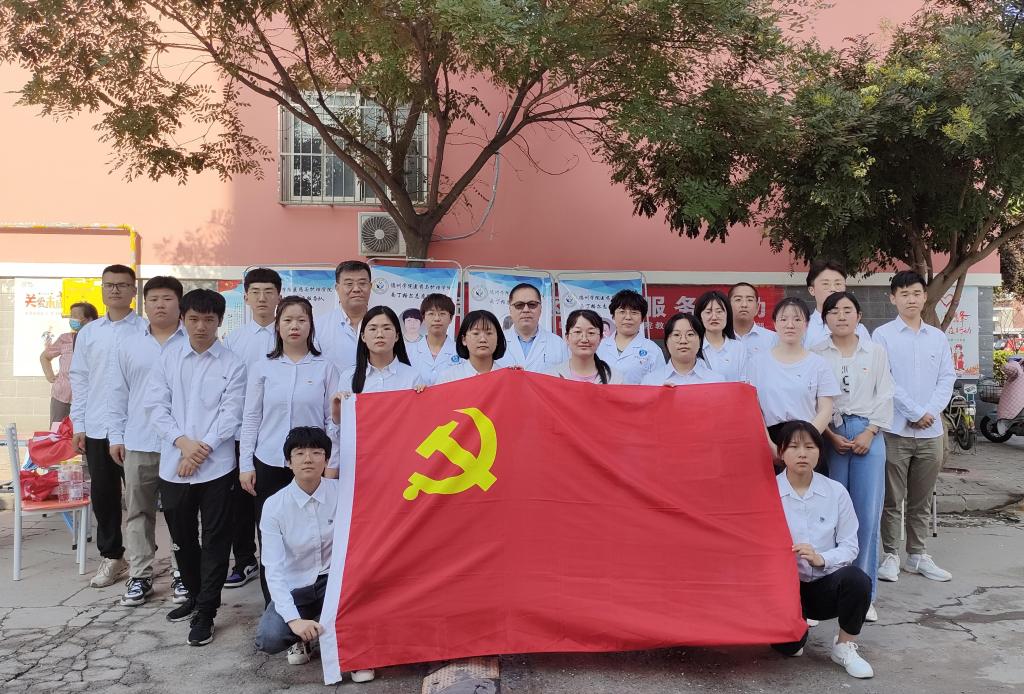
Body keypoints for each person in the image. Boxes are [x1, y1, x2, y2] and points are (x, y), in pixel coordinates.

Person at [144, 289, 246, 646]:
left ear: (220, 321)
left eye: (208, 319)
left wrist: (199, 451)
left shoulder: (232, 364)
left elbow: (231, 413)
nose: (201, 326)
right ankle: (194, 593)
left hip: (217, 466)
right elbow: (156, 406)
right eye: (194, 319)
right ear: (183, 319)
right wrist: (183, 445)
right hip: (175, 464)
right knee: (182, 538)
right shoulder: (168, 359)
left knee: (215, 540)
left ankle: (207, 610)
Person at [239, 296, 340, 605]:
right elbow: (251, 417)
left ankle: (316, 602)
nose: (294, 326)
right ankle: (276, 606)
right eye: (287, 320)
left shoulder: (325, 368)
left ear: (311, 325)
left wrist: (331, 463)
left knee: (314, 532)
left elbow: (332, 421)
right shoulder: (263, 367)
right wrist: (246, 464)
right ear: (278, 326)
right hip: (270, 462)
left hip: (313, 465)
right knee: (271, 536)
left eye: (301, 320)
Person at [254, 426, 375, 683]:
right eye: (299, 453)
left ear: (327, 460)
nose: (308, 459)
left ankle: (356, 652)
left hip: (336, 582)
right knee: (270, 637)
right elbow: (273, 569)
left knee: (367, 592)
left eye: (316, 453)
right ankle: (303, 635)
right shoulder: (274, 506)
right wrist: (294, 621)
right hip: (296, 586)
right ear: (288, 462)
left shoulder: (343, 492)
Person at [811, 291, 894, 621]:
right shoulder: (817, 354)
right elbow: (814, 398)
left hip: (867, 431)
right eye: (834, 311)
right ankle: (824, 590)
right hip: (830, 432)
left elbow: (885, 394)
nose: (841, 316)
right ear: (825, 319)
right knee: (828, 514)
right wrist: (829, 435)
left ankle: (863, 593)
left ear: (859, 316)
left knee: (866, 514)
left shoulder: (875, 352)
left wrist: (870, 432)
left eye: (848, 310)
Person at [770, 421, 874, 680]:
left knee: (857, 580)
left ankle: (844, 646)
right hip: (784, 590)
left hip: (824, 585)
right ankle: (796, 626)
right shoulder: (768, 492)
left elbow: (850, 545)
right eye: (794, 447)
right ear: (781, 452)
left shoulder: (836, 492)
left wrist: (821, 559)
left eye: (810, 447)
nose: (802, 454)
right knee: (790, 648)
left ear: (820, 452)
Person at [108, 277, 188, 608]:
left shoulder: (192, 342)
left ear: (179, 303)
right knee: (138, 512)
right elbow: (117, 393)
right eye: (153, 299)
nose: (159, 305)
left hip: (180, 445)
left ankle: (184, 572)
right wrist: (116, 435)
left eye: (167, 298)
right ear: (144, 304)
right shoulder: (129, 345)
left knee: (181, 513)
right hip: (139, 440)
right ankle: (140, 575)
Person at [872, 271, 956, 583]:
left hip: (931, 433)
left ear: (924, 297)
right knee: (892, 499)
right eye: (904, 294)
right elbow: (885, 379)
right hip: (895, 430)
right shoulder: (882, 336)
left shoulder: (937, 337)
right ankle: (890, 555)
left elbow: (947, 377)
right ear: (893, 298)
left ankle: (917, 555)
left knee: (922, 499)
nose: (911, 299)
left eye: (916, 293)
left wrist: (929, 413)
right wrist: (915, 411)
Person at [69, 263, 147, 588]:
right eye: (109, 285)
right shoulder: (89, 333)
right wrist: (78, 423)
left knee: (141, 498)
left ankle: (143, 562)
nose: (115, 290)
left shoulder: (145, 330)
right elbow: (80, 378)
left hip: (137, 428)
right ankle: (113, 556)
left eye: (122, 285)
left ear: (133, 291)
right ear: (102, 289)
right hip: (97, 426)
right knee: (104, 496)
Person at [222, 267, 282, 591]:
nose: (262, 298)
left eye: (268, 292)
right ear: (245, 297)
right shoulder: (234, 340)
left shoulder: (289, 334)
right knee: (239, 503)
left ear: (279, 296)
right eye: (256, 292)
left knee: (270, 503)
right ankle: (245, 559)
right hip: (240, 433)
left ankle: (277, 565)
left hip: (276, 433)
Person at [743, 298, 840, 445]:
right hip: (768, 439)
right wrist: (770, 445)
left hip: (809, 438)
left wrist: (804, 442)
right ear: (775, 324)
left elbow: (825, 411)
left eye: (797, 319)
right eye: (783, 319)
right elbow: (753, 409)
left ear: (806, 324)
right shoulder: (756, 363)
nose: (790, 325)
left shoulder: (818, 363)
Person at [339, 305, 424, 394]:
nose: (379, 335)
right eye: (373, 329)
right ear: (363, 337)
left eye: (386, 328)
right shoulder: (349, 377)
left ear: (397, 336)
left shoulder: (413, 377)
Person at [40, 301, 98, 425]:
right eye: (71, 316)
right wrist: (50, 376)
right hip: (62, 396)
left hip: (88, 398)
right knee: (58, 431)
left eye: (76, 316)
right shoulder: (65, 339)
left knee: (84, 433)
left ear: (89, 320)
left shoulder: (100, 341)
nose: (72, 320)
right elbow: (44, 357)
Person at [596, 289, 664, 384]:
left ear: (642, 318)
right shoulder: (598, 347)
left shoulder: (653, 350)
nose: (628, 317)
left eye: (634, 312)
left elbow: (660, 384)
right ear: (613, 316)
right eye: (622, 312)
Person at [495, 283, 568, 372]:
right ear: (510, 309)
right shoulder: (497, 343)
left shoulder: (558, 344)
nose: (526, 310)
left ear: (540, 308)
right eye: (519, 305)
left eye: (532, 304)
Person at [315, 260, 372, 373]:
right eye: (349, 284)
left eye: (362, 283)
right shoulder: (319, 326)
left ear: (370, 286)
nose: (356, 289)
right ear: (337, 288)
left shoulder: (385, 324)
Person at [642, 313, 724, 386]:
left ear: (700, 341)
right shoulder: (650, 382)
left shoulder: (716, 381)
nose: (683, 341)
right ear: (667, 342)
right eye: (676, 335)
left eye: (690, 334)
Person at [804, 260, 872, 348]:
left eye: (838, 283)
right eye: (825, 284)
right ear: (812, 290)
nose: (833, 289)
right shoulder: (803, 327)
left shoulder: (859, 328)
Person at [546, 309, 623, 384]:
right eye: (577, 332)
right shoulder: (552, 377)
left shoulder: (615, 379)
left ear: (600, 338)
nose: (584, 339)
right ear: (567, 337)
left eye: (591, 333)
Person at [437, 310, 507, 383]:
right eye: (476, 333)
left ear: (498, 339)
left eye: (489, 333)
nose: (483, 339)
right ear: (464, 339)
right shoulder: (449, 378)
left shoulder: (507, 378)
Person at [405, 293, 459, 384]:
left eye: (442, 313)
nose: (437, 318)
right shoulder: (408, 352)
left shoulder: (461, 353)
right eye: (431, 313)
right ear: (423, 318)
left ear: (451, 318)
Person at [695, 290, 747, 382]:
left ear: (727, 315)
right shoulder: (693, 347)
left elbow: (744, 382)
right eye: (708, 312)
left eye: (719, 311)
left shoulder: (738, 348)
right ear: (700, 317)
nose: (714, 317)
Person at [728, 282, 777, 356]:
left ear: (757, 307)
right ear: (728, 306)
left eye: (750, 300)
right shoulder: (719, 338)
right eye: (738, 299)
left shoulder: (772, 339)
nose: (744, 305)